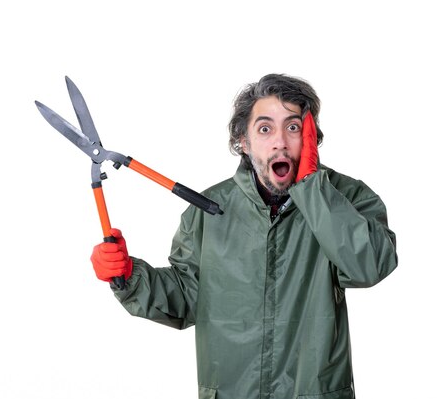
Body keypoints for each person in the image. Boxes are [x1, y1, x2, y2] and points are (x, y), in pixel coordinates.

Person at [90, 74, 398, 399]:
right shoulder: (207, 210)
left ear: (311, 138)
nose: (280, 141)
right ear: (243, 141)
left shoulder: (346, 197)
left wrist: (314, 192)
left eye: (293, 128)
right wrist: (129, 277)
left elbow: (369, 267)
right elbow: (186, 298)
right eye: (265, 129)